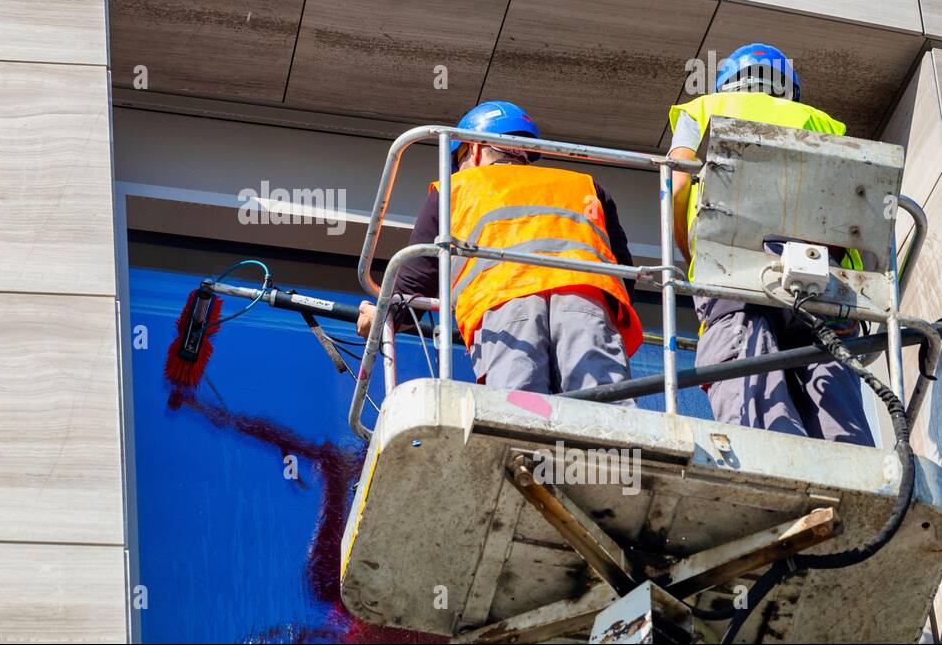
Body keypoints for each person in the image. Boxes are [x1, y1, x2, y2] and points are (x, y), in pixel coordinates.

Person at [357, 101, 641, 401]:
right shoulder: (584, 185)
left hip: (505, 306)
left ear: (474, 150)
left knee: (520, 407)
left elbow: (416, 278)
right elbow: (624, 271)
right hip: (587, 304)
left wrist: (384, 316)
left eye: (460, 158)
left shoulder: (456, 188)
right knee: (604, 405)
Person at [668, 43, 874, 445]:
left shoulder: (702, 108)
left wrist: (691, 252)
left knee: (748, 372)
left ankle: (768, 460)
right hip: (822, 278)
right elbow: (854, 201)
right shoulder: (822, 122)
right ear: (788, 88)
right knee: (829, 376)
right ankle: (850, 467)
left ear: (729, 81)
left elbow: (675, 183)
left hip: (734, 269)